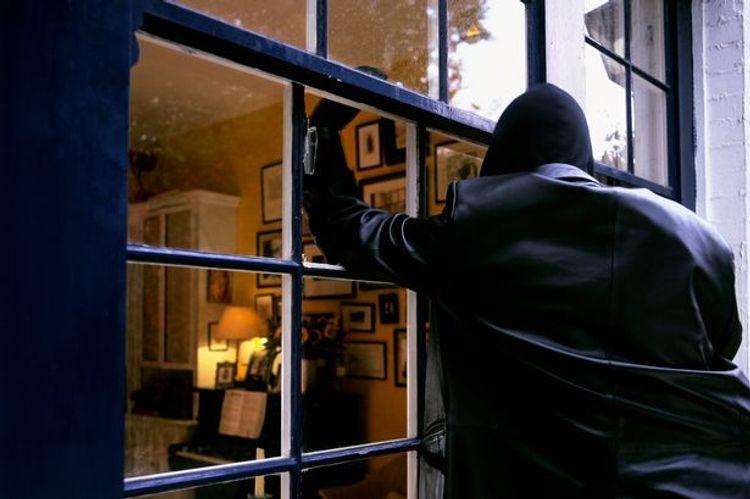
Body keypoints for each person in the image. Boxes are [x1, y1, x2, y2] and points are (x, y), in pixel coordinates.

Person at [303, 83, 750, 498]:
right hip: (706, 482)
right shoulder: (697, 240)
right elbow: (720, 348)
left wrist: (322, 131)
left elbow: (349, 229)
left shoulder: (472, 233)